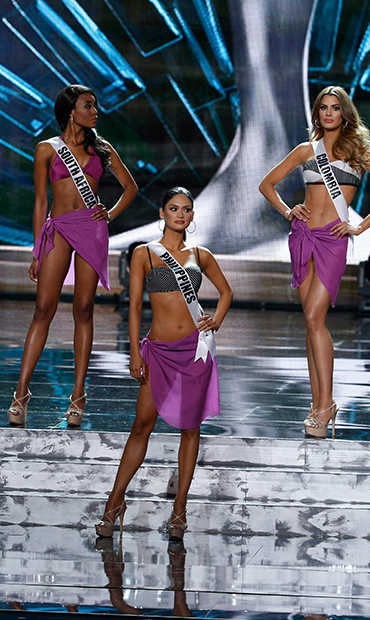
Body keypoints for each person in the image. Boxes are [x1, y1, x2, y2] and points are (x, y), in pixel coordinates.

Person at [259, 85, 370, 438]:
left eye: (335, 108)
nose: (328, 113)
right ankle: (317, 401)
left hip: (333, 241)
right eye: (323, 108)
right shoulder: (307, 150)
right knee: (311, 322)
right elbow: (267, 184)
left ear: (344, 113)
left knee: (313, 317)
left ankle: (326, 404)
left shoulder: (359, 152)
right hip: (303, 236)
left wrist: (359, 226)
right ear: (317, 113)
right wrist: (289, 209)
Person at [95, 187, 232, 542]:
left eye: (186, 210)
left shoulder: (201, 255)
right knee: (142, 424)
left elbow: (227, 292)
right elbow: (135, 304)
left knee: (190, 428)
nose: (180, 215)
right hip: (158, 351)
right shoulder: (144, 254)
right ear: (162, 212)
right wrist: (134, 352)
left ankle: (179, 510)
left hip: (195, 350)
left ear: (191, 215)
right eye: (174, 208)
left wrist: (216, 318)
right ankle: (114, 503)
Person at [8, 84, 138, 428]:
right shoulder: (47, 149)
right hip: (59, 228)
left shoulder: (102, 148)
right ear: (71, 111)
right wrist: (37, 249)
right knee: (44, 308)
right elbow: (39, 202)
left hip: (91, 229)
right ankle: (21, 392)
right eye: (89, 106)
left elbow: (131, 187)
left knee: (84, 309)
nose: (95, 112)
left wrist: (108, 213)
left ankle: (78, 393)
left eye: (94, 106)